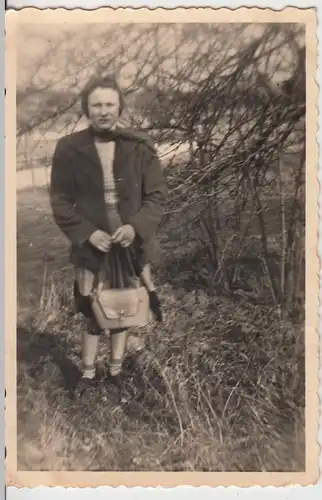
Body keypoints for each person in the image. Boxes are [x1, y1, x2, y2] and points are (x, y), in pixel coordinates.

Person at [50, 74, 168, 399]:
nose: (104, 111)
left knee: (124, 305)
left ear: (120, 106)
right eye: (96, 105)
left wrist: (136, 227)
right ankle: (87, 376)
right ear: (87, 109)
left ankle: (115, 370)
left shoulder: (140, 147)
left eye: (110, 104)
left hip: (130, 244)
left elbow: (157, 196)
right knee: (92, 309)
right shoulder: (69, 148)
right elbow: (60, 201)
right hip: (93, 246)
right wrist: (87, 233)